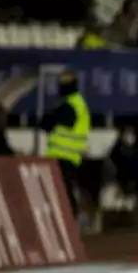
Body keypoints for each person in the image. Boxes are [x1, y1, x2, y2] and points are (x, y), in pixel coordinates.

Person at [40, 71, 91, 217]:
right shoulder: (78, 103)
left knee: (63, 193)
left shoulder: (70, 105)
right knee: (64, 192)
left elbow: (46, 123)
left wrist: (51, 115)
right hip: (70, 156)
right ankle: (70, 220)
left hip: (62, 156)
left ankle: (70, 221)